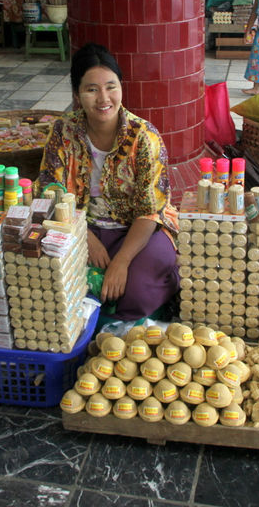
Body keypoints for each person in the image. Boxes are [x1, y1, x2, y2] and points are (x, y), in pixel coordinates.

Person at [35, 43, 180, 323]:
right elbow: (51, 191)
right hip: (80, 227)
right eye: (91, 89)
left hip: (137, 232)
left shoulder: (143, 137)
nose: (103, 98)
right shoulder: (63, 132)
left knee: (136, 290)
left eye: (111, 86)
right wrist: (85, 239)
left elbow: (150, 210)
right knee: (47, 277)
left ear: (121, 88)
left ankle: (119, 325)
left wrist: (122, 261)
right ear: (77, 94)